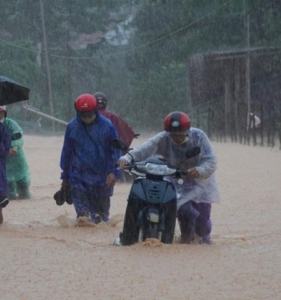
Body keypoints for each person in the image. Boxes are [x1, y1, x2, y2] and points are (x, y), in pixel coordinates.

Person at [118, 111, 220, 244]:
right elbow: (144, 149)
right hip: (176, 179)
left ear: (187, 131)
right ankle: (186, 241)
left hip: (200, 183)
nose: (177, 137)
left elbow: (211, 160)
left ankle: (203, 241)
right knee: (184, 211)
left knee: (202, 221)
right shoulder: (163, 138)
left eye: (180, 134)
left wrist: (200, 170)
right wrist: (127, 157)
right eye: (173, 134)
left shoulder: (199, 137)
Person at [60, 93, 120, 224]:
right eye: (83, 115)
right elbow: (67, 153)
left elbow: (115, 151)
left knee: (101, 220)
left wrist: (113, 172)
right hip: (78, 178)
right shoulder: (72, 127)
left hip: (102, 179)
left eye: (90, 114)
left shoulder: (107, 126)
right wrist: (65, 177)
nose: (87, 118)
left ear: (96, 111)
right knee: (84, 219)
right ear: (78, 113)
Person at [94, 92, 136, 182]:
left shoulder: (87, 117)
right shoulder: (112, 116)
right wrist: (131, 134)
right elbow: (124, 130)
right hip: (111, 150)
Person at [0, 106, 31, 200]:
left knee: (23, 183)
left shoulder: (11, 123)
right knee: (8, 185)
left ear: (4, 113)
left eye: (0, 113)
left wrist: (14, 147)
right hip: (2, 158)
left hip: (17, 157)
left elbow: (18, 136)